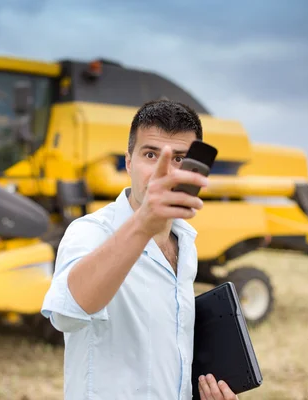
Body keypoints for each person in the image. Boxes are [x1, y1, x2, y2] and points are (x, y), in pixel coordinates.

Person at [41, 99, 239, 400]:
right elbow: (67, 312)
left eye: (179, 159)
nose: (164, 172)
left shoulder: (184, 242)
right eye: (151, 155)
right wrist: (144, 224)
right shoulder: (90, 231)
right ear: (129, 161)